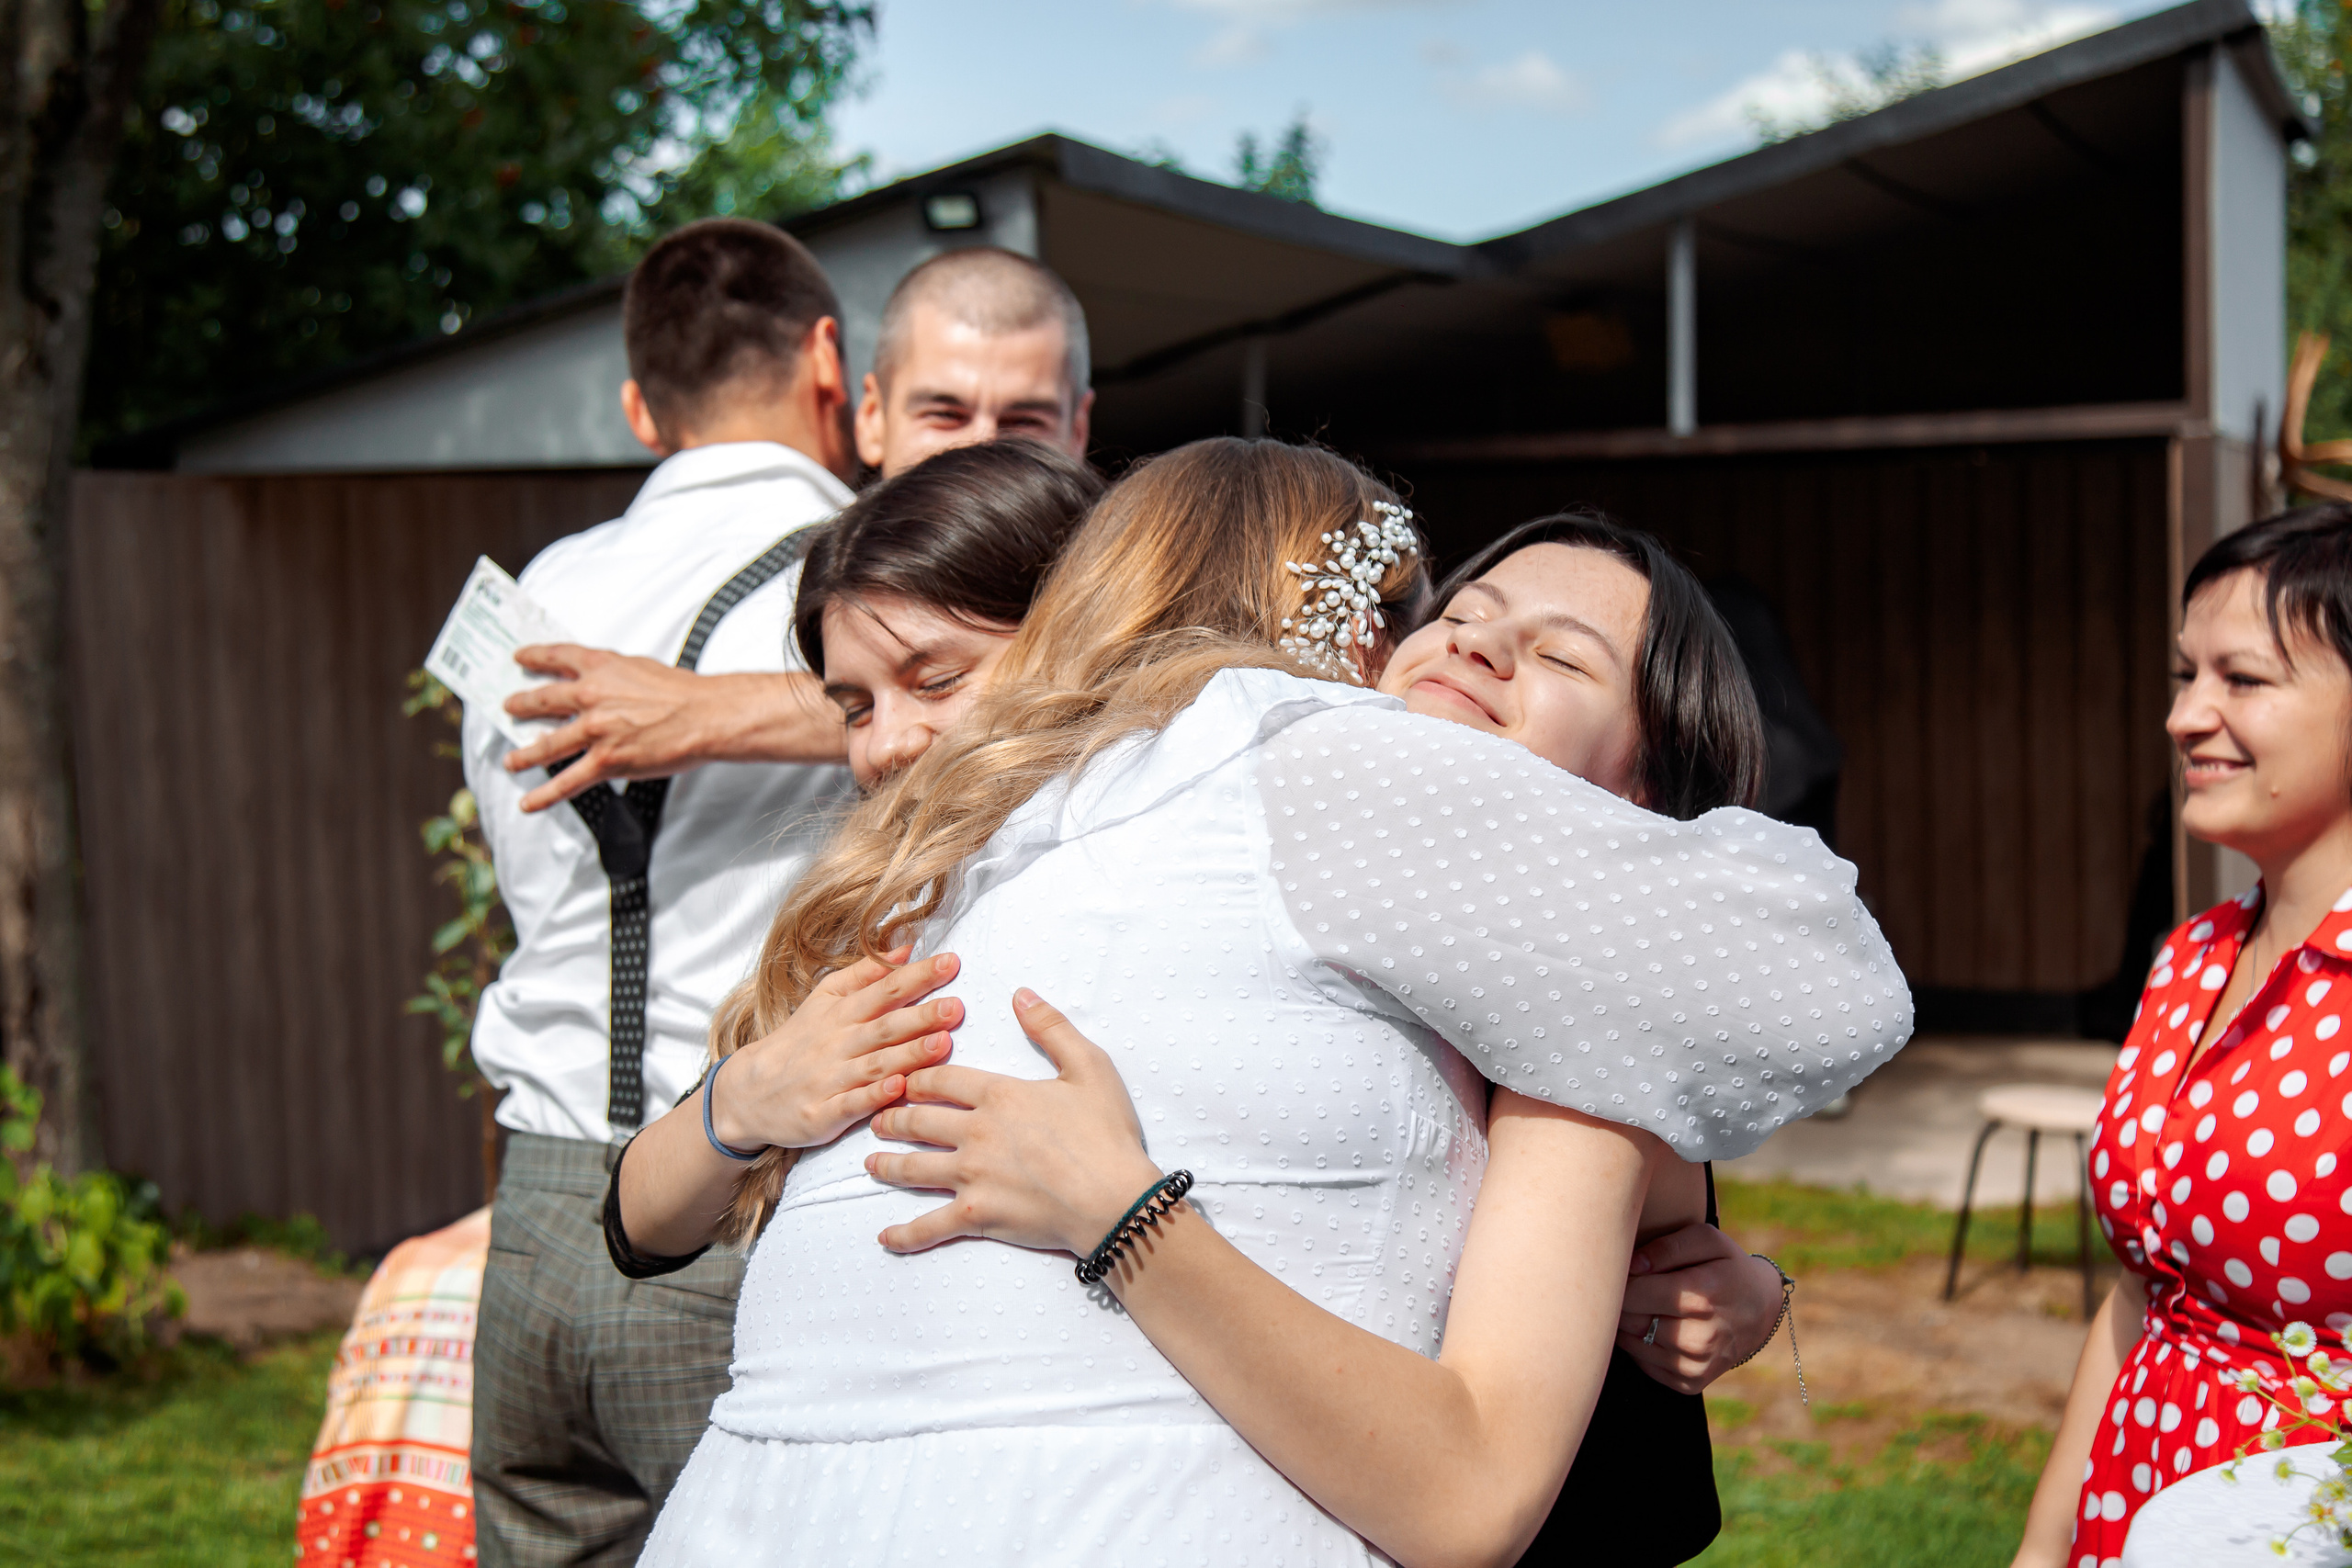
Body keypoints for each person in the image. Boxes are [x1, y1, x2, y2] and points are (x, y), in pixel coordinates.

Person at [620, 439, 1909, 1567]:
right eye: (1461, 611)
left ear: (1638, 808)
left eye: (1562, 653)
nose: (1476, 642)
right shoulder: (1244, 789)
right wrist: (1117, 1211)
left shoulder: (1049, 825)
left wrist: (1704, 1239)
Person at [461, 217, 862, 1567]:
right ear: (828, 359)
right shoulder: (864, 577)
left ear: (641, 408)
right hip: (735, 1199)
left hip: (534, 1218)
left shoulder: (538, 595)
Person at [2013, 503, 2352, 1567]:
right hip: (2132, 1507)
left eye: (2241, 679)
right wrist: (2041, 1549)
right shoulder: (2190, 957)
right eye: (2183, 674)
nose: (2184, 716)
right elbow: (2141, 1295)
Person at [500, 244, 1094, 811]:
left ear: (1078, 429)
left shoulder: (1123, 578)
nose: (980, 448)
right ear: (870, 417)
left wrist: (714, 709)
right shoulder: (825, 570)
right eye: (944, 414)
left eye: (1025, 421)